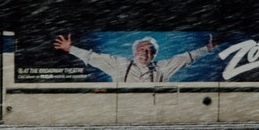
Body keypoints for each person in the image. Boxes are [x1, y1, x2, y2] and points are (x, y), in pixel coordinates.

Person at [54, 34, 217, 82]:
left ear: (154, 55)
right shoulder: (119, 65)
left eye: (148, 50)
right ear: (134, 52)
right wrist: (70, 49)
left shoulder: (162, 68)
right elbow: (92, 57)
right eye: (141, 49)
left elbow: (186, 58)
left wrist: (207, 49)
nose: (144, 53)